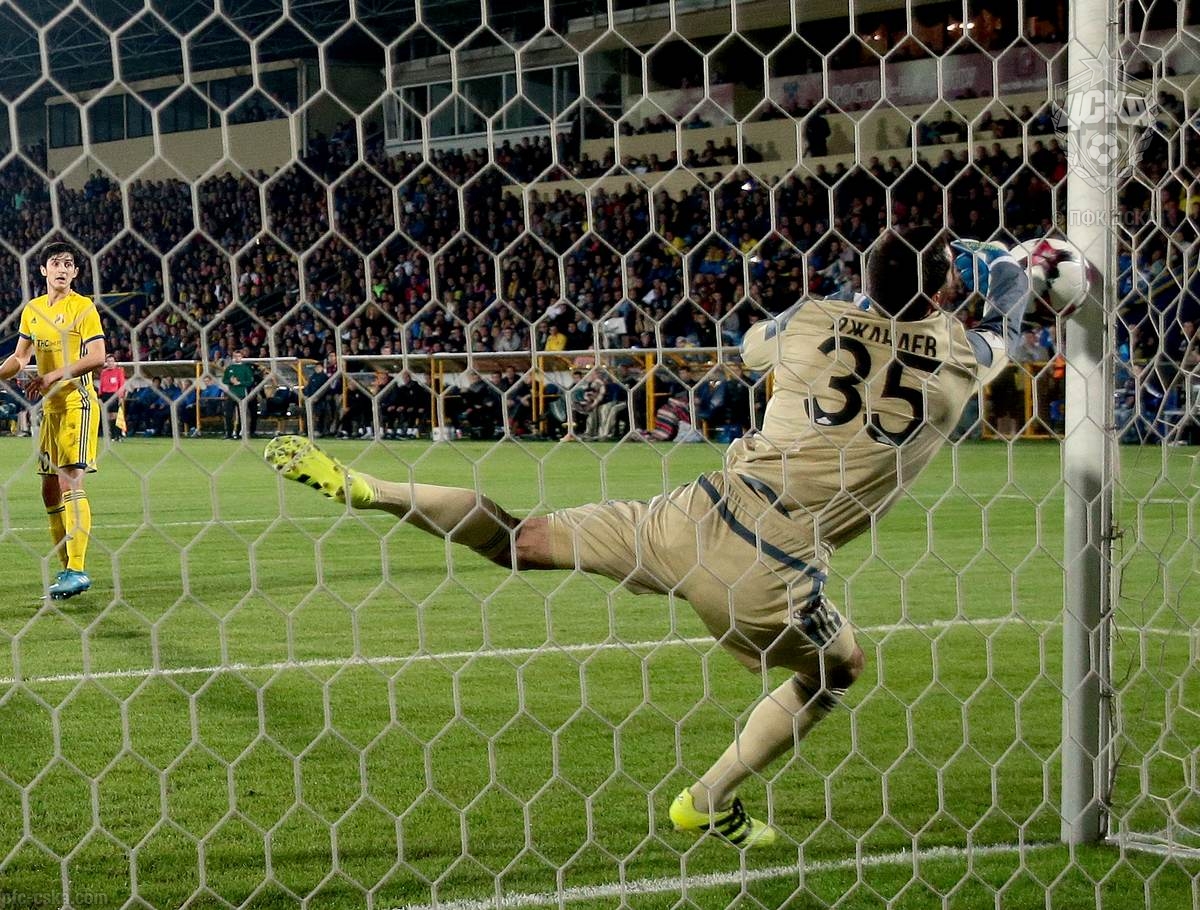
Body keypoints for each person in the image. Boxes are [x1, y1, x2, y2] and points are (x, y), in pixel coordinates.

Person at [263, 228, 1031, 848]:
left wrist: (845, 308)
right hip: (772, 569)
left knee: (519, 537)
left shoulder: (811, 319)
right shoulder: (956, 357)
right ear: (942, 287)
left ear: (866, 277)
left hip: (694, 511)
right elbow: (1005, 331)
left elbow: (751, 347)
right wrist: (1009, 273)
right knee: (838, 671)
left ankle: (370, 488)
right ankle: (707, 800)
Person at [0, 242, 107, 599]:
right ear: (43, 270)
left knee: (69, 480)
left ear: (75, 273)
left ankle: (77, 569)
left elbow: (98, 356)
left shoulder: (83, 307)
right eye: (55, 263)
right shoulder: (33, 310)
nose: (62, 269)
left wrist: (53, 375)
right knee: (48, 489)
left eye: (68, 264)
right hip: (51, 410)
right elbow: (20, 357)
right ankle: (65, 571)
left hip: (77, 403)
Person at [221, 348, 257, 439]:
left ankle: (238, 433)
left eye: (239, 356)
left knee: (242, 415)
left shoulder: (246, 368)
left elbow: (250, 381)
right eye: (235, 356)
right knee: (228, 414)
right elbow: (224, 380)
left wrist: (240, 383)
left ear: (241, 357)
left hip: (242, 394)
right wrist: (230, 381)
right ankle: (228, 433)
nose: (237, 358)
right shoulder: (229, 368)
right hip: (231, 394)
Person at [97, 353, 126, 441]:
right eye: (108, 361)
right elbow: (101, 384)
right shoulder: (104, 372)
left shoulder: (119, 371)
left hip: (114, 394)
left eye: (112, 361)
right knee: (107, 416)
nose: (110, 363)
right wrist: (99, 396)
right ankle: (111, 435)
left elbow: (121, 384)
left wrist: (121, 397)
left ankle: (117, 435)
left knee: (115, 415)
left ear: (114, 362)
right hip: (105, 395)